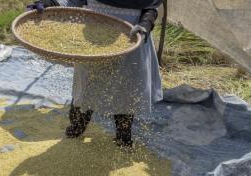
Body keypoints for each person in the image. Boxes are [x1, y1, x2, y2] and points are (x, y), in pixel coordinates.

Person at [27, 0, 163, 147]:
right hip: (93, 41)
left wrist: (145, 24)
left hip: (129, 41)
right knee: (87, 87)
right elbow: (71, 0)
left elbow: (150, 7)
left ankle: (123, 135)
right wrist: (48, 4)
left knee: (124, 90)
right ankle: (77, 126)